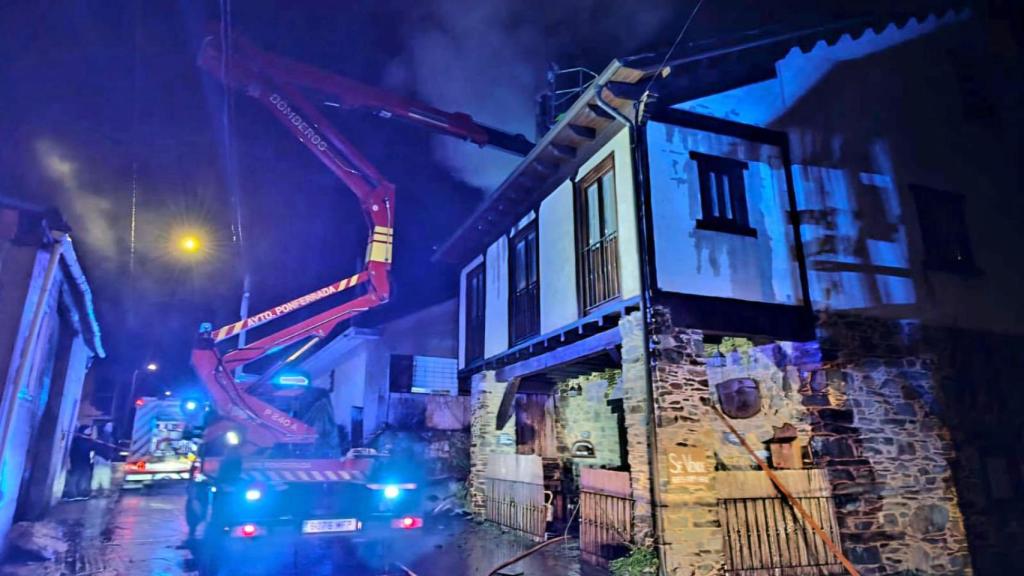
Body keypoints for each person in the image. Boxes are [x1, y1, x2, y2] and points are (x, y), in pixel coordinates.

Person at [65, 425, 95, 500]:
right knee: (75, 477)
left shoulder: (87, 440)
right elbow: (77, 451)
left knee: (84, 477)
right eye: (88, 430)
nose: (90, 431)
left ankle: (82, 493)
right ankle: (71, 494)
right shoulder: (78, 440)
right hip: (78, 461)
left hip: (85, 461)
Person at [90, 422, 115, 495]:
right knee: (105, 475)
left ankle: (94, 492)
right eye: (109, 426)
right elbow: (108, 448)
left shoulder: (101, 437)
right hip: (103, 459)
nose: (110, 428)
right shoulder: (108, 437)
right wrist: (109, 456)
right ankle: (105, 491)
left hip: (99, 458)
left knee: (97, 475)